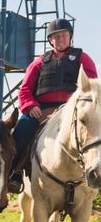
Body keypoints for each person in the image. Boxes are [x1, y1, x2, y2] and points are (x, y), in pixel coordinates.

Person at [8, 18, 98, 193]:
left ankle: (95, 170)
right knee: (21, 130)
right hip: (41, 109)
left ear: (70, 36)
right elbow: (24, 89)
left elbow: (92, 86)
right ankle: (14, 173)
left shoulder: (83, 58)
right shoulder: (39, 62)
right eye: (55, 37)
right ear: (50, 40)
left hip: (72, 109)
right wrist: (29, 105)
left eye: (63, 35)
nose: (60, 39)